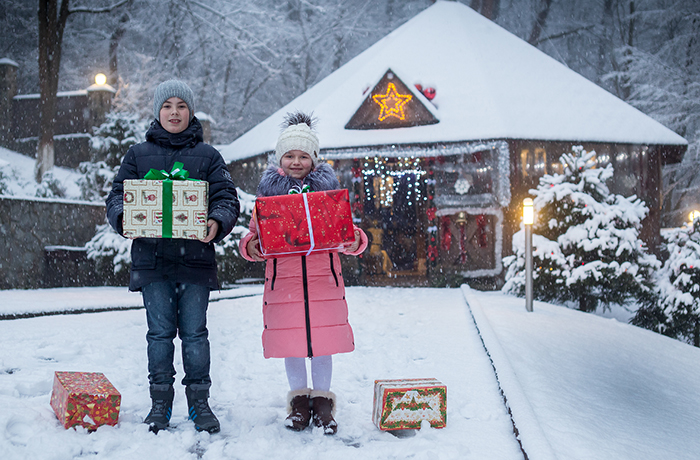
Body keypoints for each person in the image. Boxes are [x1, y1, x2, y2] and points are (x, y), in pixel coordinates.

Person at [106, 80, 239, 434]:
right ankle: (160, 403)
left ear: (190, 111)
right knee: (160, 335)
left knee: (195, 334)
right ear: (157, 111)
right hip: (153, 261)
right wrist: (124, 218)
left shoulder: (209, 156)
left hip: (195, 262)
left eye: (182, 106)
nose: (175, 112)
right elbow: (117, 197)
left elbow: (227, 198)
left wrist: (216, 221)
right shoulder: (136, 155)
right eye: (168, 106)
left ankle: (199, 403)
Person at [239, 112, 367, 435]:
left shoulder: (327, 196)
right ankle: (299, 401)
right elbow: (254, 234)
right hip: (285, 285)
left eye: (303, 156)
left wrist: (355, 240)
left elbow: (347, 233)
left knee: (322, 343)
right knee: (292, 344)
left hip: (324, 281)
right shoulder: (268, 197)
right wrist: (250, 246)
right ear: (280, 158)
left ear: (314, 159)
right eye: (290, 155)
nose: (296, 162)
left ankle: (322, 402)